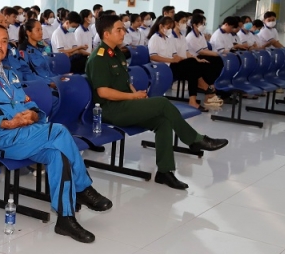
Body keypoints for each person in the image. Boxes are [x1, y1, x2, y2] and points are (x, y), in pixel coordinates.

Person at [0, 24, 112, 243]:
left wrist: (34, 116)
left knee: (58, 154)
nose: (0, 45)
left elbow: (31, 104)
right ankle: (83, 187)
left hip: (29, 133)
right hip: (1, 139)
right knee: (58, 131)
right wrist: (9, 123)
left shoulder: (10, 74)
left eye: (4, 41)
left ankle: (65, 219)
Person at [87, 15, 228, 190]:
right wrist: (133, 97)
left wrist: (136, 95)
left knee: (163, 121)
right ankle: (194, 140)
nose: (123, 32)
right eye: (119, 29)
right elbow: (103, 92)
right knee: (162, 103)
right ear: (105, 34)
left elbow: (124, 82)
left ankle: (165, 172)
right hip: (110, 110)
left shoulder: (116, 53)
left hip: (125, 105)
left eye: (123, 29)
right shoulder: (98, 58)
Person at [147, 16, 213, 111]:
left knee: (193, 65)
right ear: (161, 26)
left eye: (171, 28)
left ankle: (193, 99)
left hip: (171, 65)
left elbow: (175, 55)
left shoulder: (167, 39)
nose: (169, 30)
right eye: (168, 27)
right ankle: (202, 87)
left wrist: (181, 60)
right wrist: (172, 60)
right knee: (192, 67)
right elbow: (153, 57)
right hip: (162, 67)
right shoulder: (155, 38)